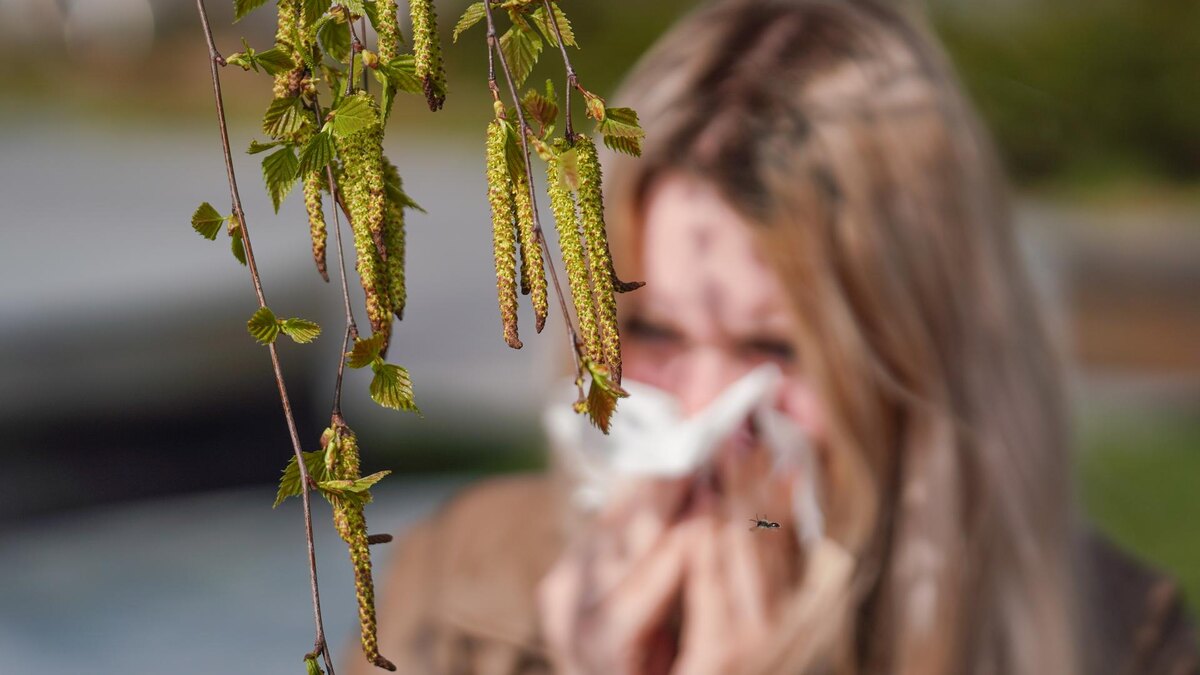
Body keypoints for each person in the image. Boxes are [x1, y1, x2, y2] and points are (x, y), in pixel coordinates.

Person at [348, 1, 1199, 673]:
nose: (709, 413)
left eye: (776, 350)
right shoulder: (455, 594)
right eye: (652, 328)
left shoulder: (1125, 640)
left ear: (921, 359)